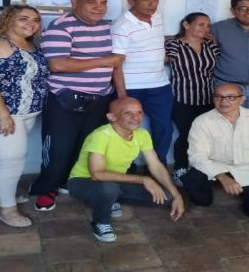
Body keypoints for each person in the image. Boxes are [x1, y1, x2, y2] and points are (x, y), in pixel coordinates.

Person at [29, 0, 125, 212]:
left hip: (100, 99)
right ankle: (47, 188)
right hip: (65, 99)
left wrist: (122, 97)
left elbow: (116, 64)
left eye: (103, 2)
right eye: (92, 2)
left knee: (87, 146)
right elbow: (58, 64)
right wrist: (104, 61)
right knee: (58, 148)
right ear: (74, 3)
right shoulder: (60, 27)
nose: (98, 7)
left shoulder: (106, 27)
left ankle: (70, 182)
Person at [0, 4, 49, 228]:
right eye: (23, 18)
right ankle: (7, 210)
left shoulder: (29, 44)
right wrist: (4, 116)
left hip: (22, 114)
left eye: (35, 20)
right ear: (8, 20)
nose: (31, 24)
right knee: (10, 161)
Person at [67, 97, 185, 242]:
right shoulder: (101, 136)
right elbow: (97, 174)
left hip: (115, 181)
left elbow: (156, 165)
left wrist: (177, 195)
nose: (136, 117)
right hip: (82, 182)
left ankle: (109, 199)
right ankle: (100, 222)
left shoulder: (142, 134)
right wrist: (144, 179)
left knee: (167, 197)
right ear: (112, 117)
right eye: (128, 113)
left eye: (139, 112)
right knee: (108, 188)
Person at [182, 83, 249, 222]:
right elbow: (197, 157)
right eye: (218, 97)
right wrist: (223, 178)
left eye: (230, 97)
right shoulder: (202, 121)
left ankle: (247, 196)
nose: (223, 101)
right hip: (215, 166)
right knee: (197, 185)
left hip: (247, 169)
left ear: (242, 99)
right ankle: (209, 192)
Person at [111, 0, 173, 164]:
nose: (153, 4)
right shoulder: (121, 26)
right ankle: (125, 167)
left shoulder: (157, 17)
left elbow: (153, 42)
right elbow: (116, 63)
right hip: (132, 86)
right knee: (125, 127)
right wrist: (122, 96)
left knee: (164, 128)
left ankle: (157, 167)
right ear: (131, 1)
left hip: (159, 85)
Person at [164, 12, 220, 182]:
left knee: (207, 135)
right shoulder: (175, 44)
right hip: (182, 98)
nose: (206, 29)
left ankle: (202, 169)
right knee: (187, 134)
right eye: (201, 24)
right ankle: (180, 168)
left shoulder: (210, 45)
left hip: (207, 98)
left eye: (208, 25)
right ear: (186, 25)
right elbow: (160, 58)